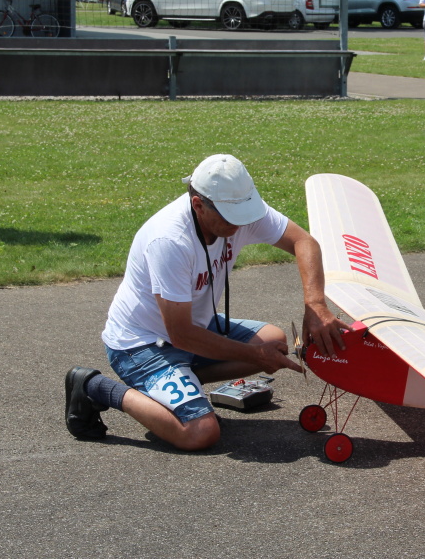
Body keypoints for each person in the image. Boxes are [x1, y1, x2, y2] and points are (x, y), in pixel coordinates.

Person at [65, 154, 350, 451]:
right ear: (198, 204)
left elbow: (304, 242)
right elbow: (181, 335)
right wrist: (255, 356)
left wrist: (315, 304)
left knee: (274, 341)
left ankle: (181, 383)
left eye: (244, 212)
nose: (241, 223)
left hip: (191, 327)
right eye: (230, 216)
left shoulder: (240, 209)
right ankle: (93, 387)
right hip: (142, 343)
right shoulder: (169, 240)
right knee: (200, 433)